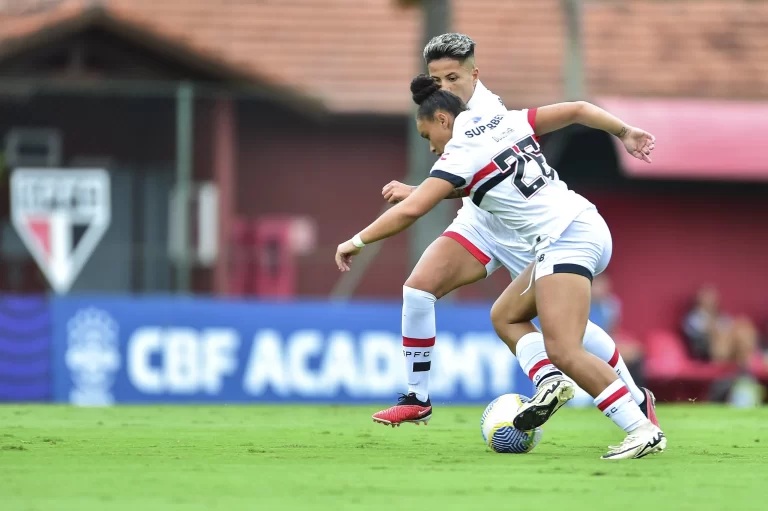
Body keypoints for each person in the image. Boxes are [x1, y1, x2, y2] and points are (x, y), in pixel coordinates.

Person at [334, 75, 665, 459]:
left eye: (428, 136)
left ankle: (639, 427)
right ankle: (553, 383)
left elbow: (411, 210)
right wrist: (624, 131)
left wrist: (354, 242)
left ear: (443, 119)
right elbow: (575, 109)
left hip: (565, 236)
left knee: (563, 347)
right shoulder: (503, 121)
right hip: (571, 227)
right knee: (506, 316)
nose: (431, 146)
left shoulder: (459, 149)